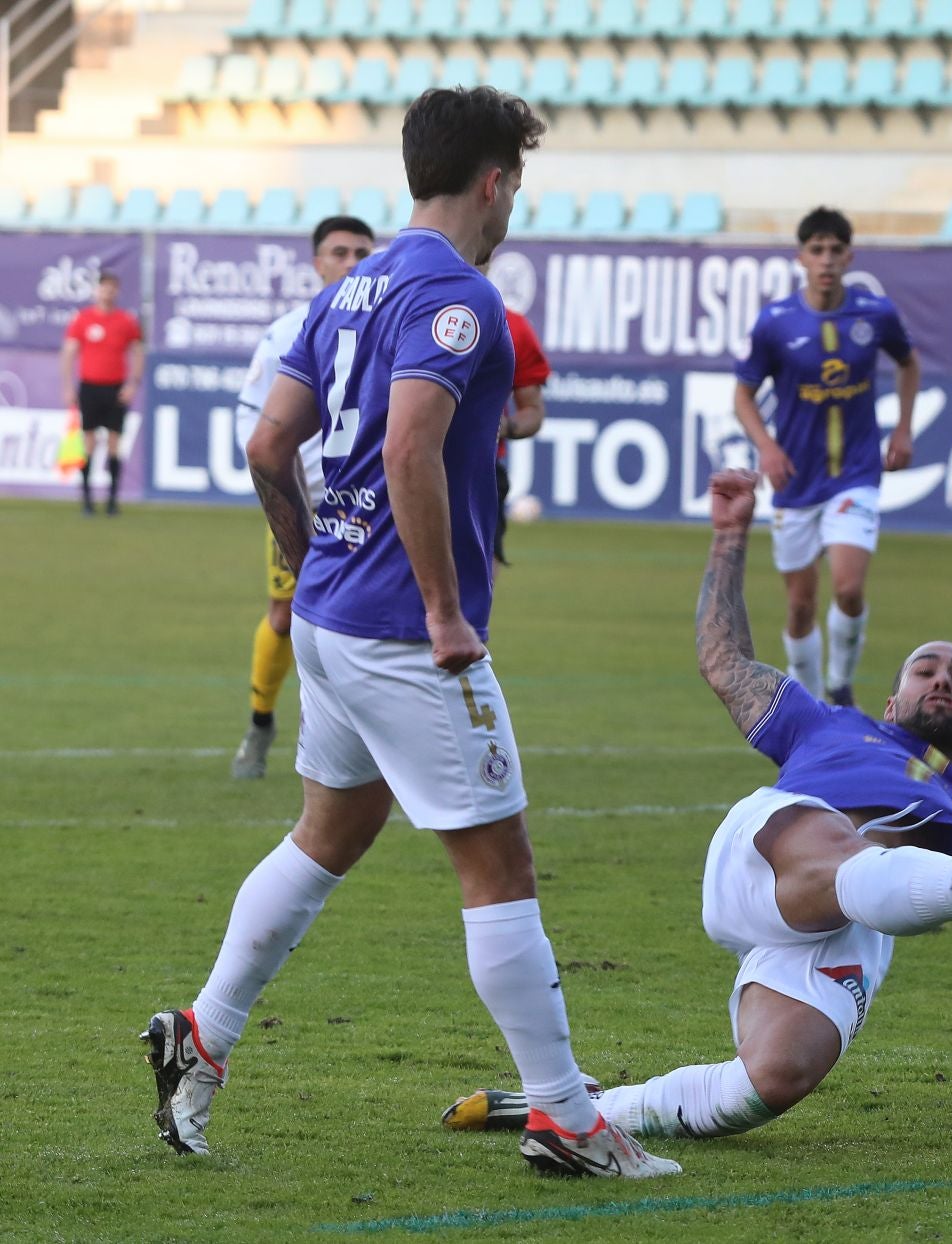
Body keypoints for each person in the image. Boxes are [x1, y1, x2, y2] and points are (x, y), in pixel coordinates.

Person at [140, 86, 679, 1181]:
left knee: (325, 836)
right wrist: (442, 610)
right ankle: (569, 1117)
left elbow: (267, 442)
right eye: (517, 180)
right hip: (397, 630)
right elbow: (410, 450)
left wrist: (301, 563)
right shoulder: (461, 297)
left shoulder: (345, 292)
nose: (516, 199)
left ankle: (202, 1032)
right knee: (500, 863)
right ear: (495, 180)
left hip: (331, 620)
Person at [438, 469, 952, 1142]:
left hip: (842, 927)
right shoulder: (831, 725)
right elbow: (723, 660)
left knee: (770, 1081)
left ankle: (573, 1110)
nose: (942, 679)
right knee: (849, 847)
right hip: (766, 854)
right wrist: (729, 534)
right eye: (926, 669)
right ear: (891, 698)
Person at [733, 207, 921, 709]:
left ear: (850, 256)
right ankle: (811, 701)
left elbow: (909, 363)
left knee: (849, 586)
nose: (827, 260)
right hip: (796, 482)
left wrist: (903, 427)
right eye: (816, 250)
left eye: (836, 250)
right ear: (801, 258)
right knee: (799, 607)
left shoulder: (874, 313)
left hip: (856, 474)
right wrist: (767, 447)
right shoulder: (775, 323)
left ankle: (840, 685)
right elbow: (743, 397)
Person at [231, 216, 378, 780]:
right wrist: (282, 503)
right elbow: (254, 426)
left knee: (370, 620)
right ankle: (260, 722)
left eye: (361, 251)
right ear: (317, 263)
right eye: (338, 252)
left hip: (371, 509)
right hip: (302, 506)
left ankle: (360, 742)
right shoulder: (288, 332)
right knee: (287, 616)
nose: (349, 261)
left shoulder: (391, 328)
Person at [60, 270, 145, 516]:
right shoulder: (83, 319)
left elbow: (138, 352)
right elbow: (69, 352)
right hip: (90, 387)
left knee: (114, 444)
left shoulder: (126, 321)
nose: (108, 292)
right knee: (88, 442)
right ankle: (87, 500)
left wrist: (133, 384)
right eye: (104, 288)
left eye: (112, 288)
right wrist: (67, 386)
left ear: (116, 291)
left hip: (116, 389)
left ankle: (112, 500)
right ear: (96, 290)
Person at [494, 303, 549, 565]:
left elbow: (532, 411)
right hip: (405, 468)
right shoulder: (405, 308)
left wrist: (502, 427)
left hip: (481, 477)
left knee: (474, 596)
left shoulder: (511, 324)